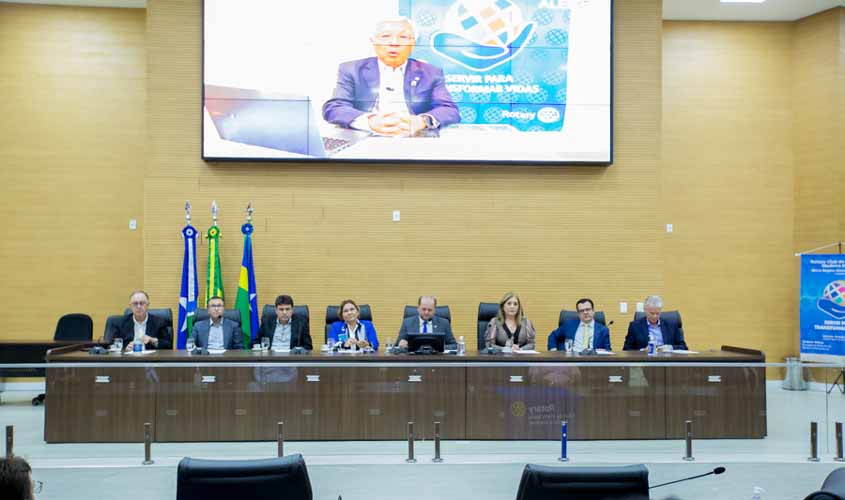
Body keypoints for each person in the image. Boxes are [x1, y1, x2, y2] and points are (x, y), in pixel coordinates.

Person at [322, 17, 460, 137]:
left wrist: (422, 121)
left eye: (403, 37)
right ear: (373, 41)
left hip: (413, 138)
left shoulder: (431, 72)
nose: (394, 43)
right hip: (365, 136)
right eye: (385, 36)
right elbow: (334, 108)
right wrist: (369, 121)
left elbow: (449, 110)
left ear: (413, 42)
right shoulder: (351, 69)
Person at [623, 295, 689, 351]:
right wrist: (642, 351)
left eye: (657, 313)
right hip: (645, 362)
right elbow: (626, 349)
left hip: (667, 362)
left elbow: (684, 347)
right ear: (645, 310)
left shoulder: (672, 325)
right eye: (652, 313)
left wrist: (670, 347)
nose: (655, 316)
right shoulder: (635, 326)